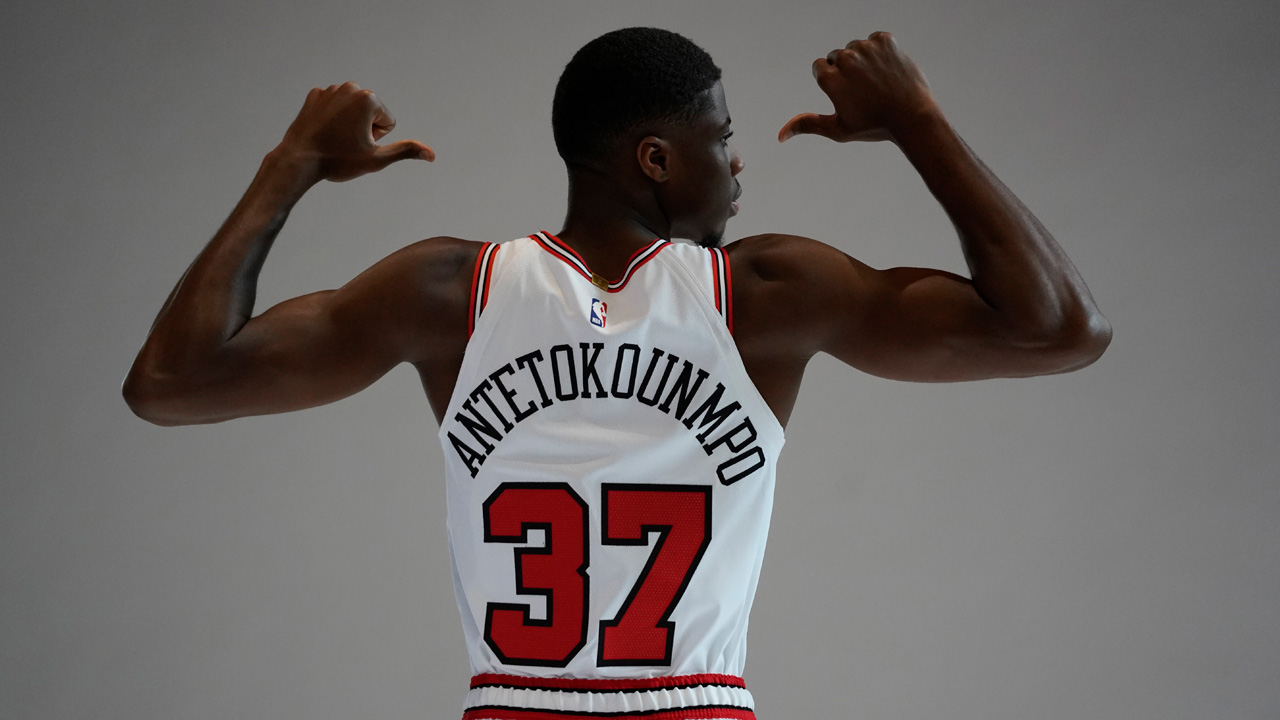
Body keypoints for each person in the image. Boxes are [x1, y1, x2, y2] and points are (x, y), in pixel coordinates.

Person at [125, 27, 1110, 720]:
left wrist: (293, 162)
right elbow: (1058, 330)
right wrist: (917, 121)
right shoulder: (767, 293)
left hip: (514, 704)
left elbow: (173, 383)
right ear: (656, 159)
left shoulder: (446, 292)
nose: (737, 164)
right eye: (721, 139)